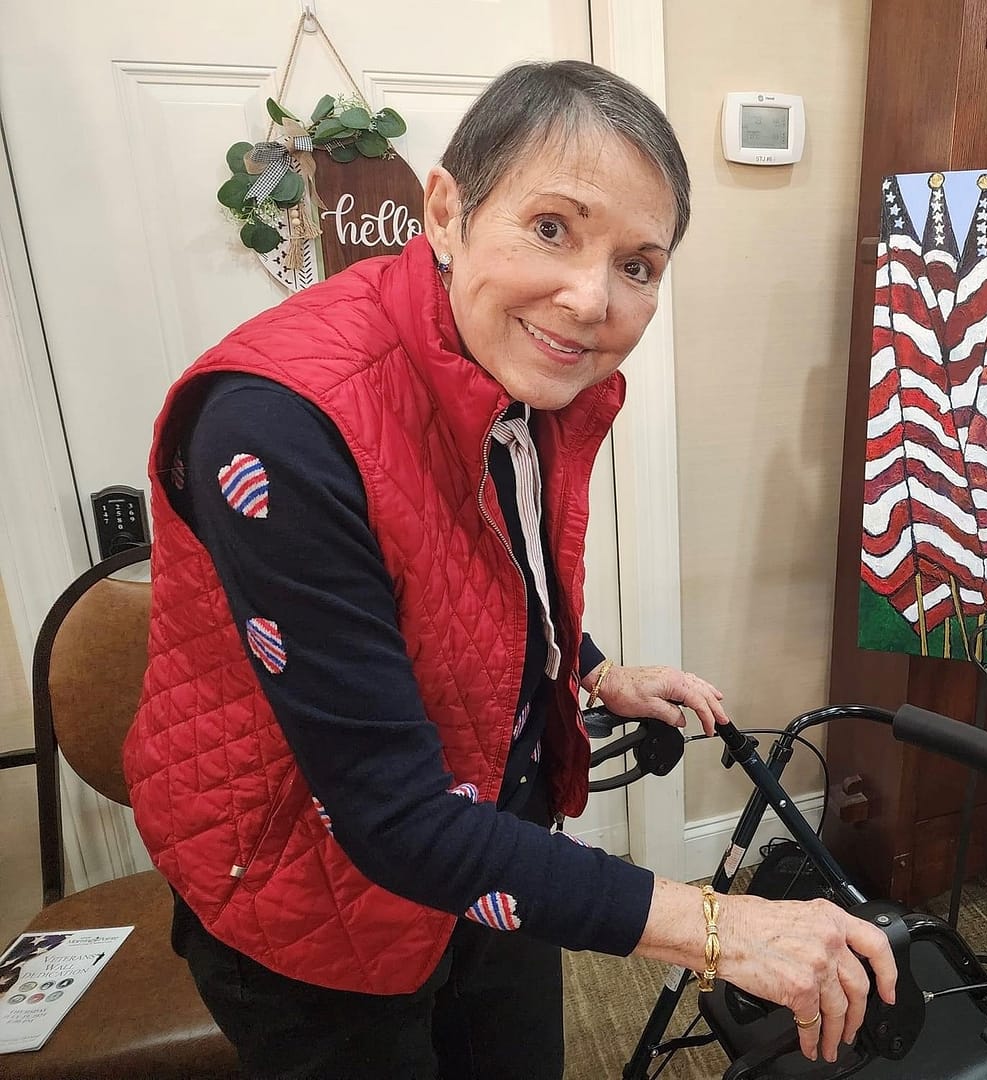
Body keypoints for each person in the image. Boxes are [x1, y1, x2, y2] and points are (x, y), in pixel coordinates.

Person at [123, 60, 896, 1079]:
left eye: (639, 264)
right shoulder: (278, 427)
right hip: (316, 899)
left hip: (490, 843)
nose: (589, 299)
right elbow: (393, 817)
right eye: (550, 229)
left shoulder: (509, 366)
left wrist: (588, 667)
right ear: (446, 210)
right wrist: (723, 930)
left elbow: (468, 565)